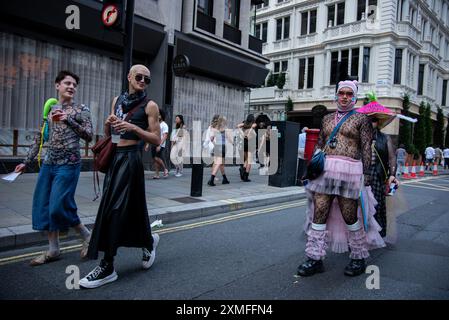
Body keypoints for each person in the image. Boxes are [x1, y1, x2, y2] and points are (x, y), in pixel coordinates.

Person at [79, 65, 161, 289]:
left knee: (113, 208)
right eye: (139, 77)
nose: (143, 81)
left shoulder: (150, 106)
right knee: (130, 207)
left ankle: (107, 265)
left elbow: (157, 140)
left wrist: (134, 129)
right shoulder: (117, 101)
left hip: (131, 159)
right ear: (129, 77)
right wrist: (107, 127)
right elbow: (112, 136)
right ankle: (148, 241)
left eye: (147, 79)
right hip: (116, 157)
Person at [297, 80, 385, 277]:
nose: (344, 97)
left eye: (348, 94)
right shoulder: (327, 119)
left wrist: (367, 176)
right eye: (341, 93)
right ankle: (314, 258)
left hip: (350, 171)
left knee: (349, 215)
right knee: (319, 212)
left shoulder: (361, 119)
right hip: (325, 170)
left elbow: (366, 149)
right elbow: (320, 144)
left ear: (354, 97)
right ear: (336, 95)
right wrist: (311, 168)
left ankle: (358, 257)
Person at [15, 70, 93, 266]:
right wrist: (26, 161)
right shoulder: (50, 109)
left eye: (74, 84)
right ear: (57, 85)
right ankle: (53, 249)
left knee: (59, 205)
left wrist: (68, 119)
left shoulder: (81, 109)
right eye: (67, 83)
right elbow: (41, 137)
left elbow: (89, 135)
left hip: (69, 164)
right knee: (44, 206)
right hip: (49, 163)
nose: (71, 87)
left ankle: (88, 236)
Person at [356, 94, 398, 239]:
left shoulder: (385, 138)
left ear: (378, 122)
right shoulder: (357, 137)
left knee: (377, 205)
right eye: (368, 119)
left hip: (377, 174)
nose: (371, 122)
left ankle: (377, 233)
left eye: (374, 120)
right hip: (358, 174)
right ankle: (358, 234)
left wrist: (392, 174)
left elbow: (392, 157)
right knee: (358, 206)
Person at [207, 115, 233, 186]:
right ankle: (211, 180)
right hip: (223, 147)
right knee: (219, 163)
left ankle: (225, 179)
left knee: (220, 164)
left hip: (217, 147)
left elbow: (211, 139)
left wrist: (215, 144)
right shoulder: (225, 128)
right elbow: (229, 139)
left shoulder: (214, 128)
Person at [237, 114, 257, 182]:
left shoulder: (244, 124)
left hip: (244, 143)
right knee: (249, 161)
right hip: (250, 144)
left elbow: (238, 126)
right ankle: (246, 176)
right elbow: (250, 134)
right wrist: (251, 128)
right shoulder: (253, 125)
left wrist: (242, 132)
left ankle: (242, 169)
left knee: (246, 159)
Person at [150, 109, 169, 179]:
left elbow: (165, 136)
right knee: (155, 159)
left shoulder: (164, 125)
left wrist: (160, 145)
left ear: (162, 116)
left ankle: (165, 169)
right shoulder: (156, 124)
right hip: (153, 143)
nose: (158, 116)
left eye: (159, 115)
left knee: (156, 158)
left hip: (160, 144)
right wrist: (147, 144)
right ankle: (157, 174)